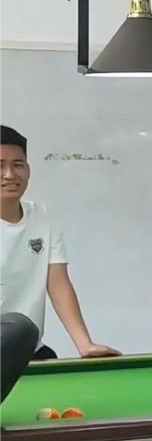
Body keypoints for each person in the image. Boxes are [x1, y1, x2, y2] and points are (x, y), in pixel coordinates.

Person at [1, 125, 118, 360]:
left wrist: (85, 344)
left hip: (27, 350)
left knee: (36, 346)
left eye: (18, 165)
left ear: (29, 169)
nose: (10, 175)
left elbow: (58, 283)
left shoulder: (42, 216)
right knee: (19, 328)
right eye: (0, 166)